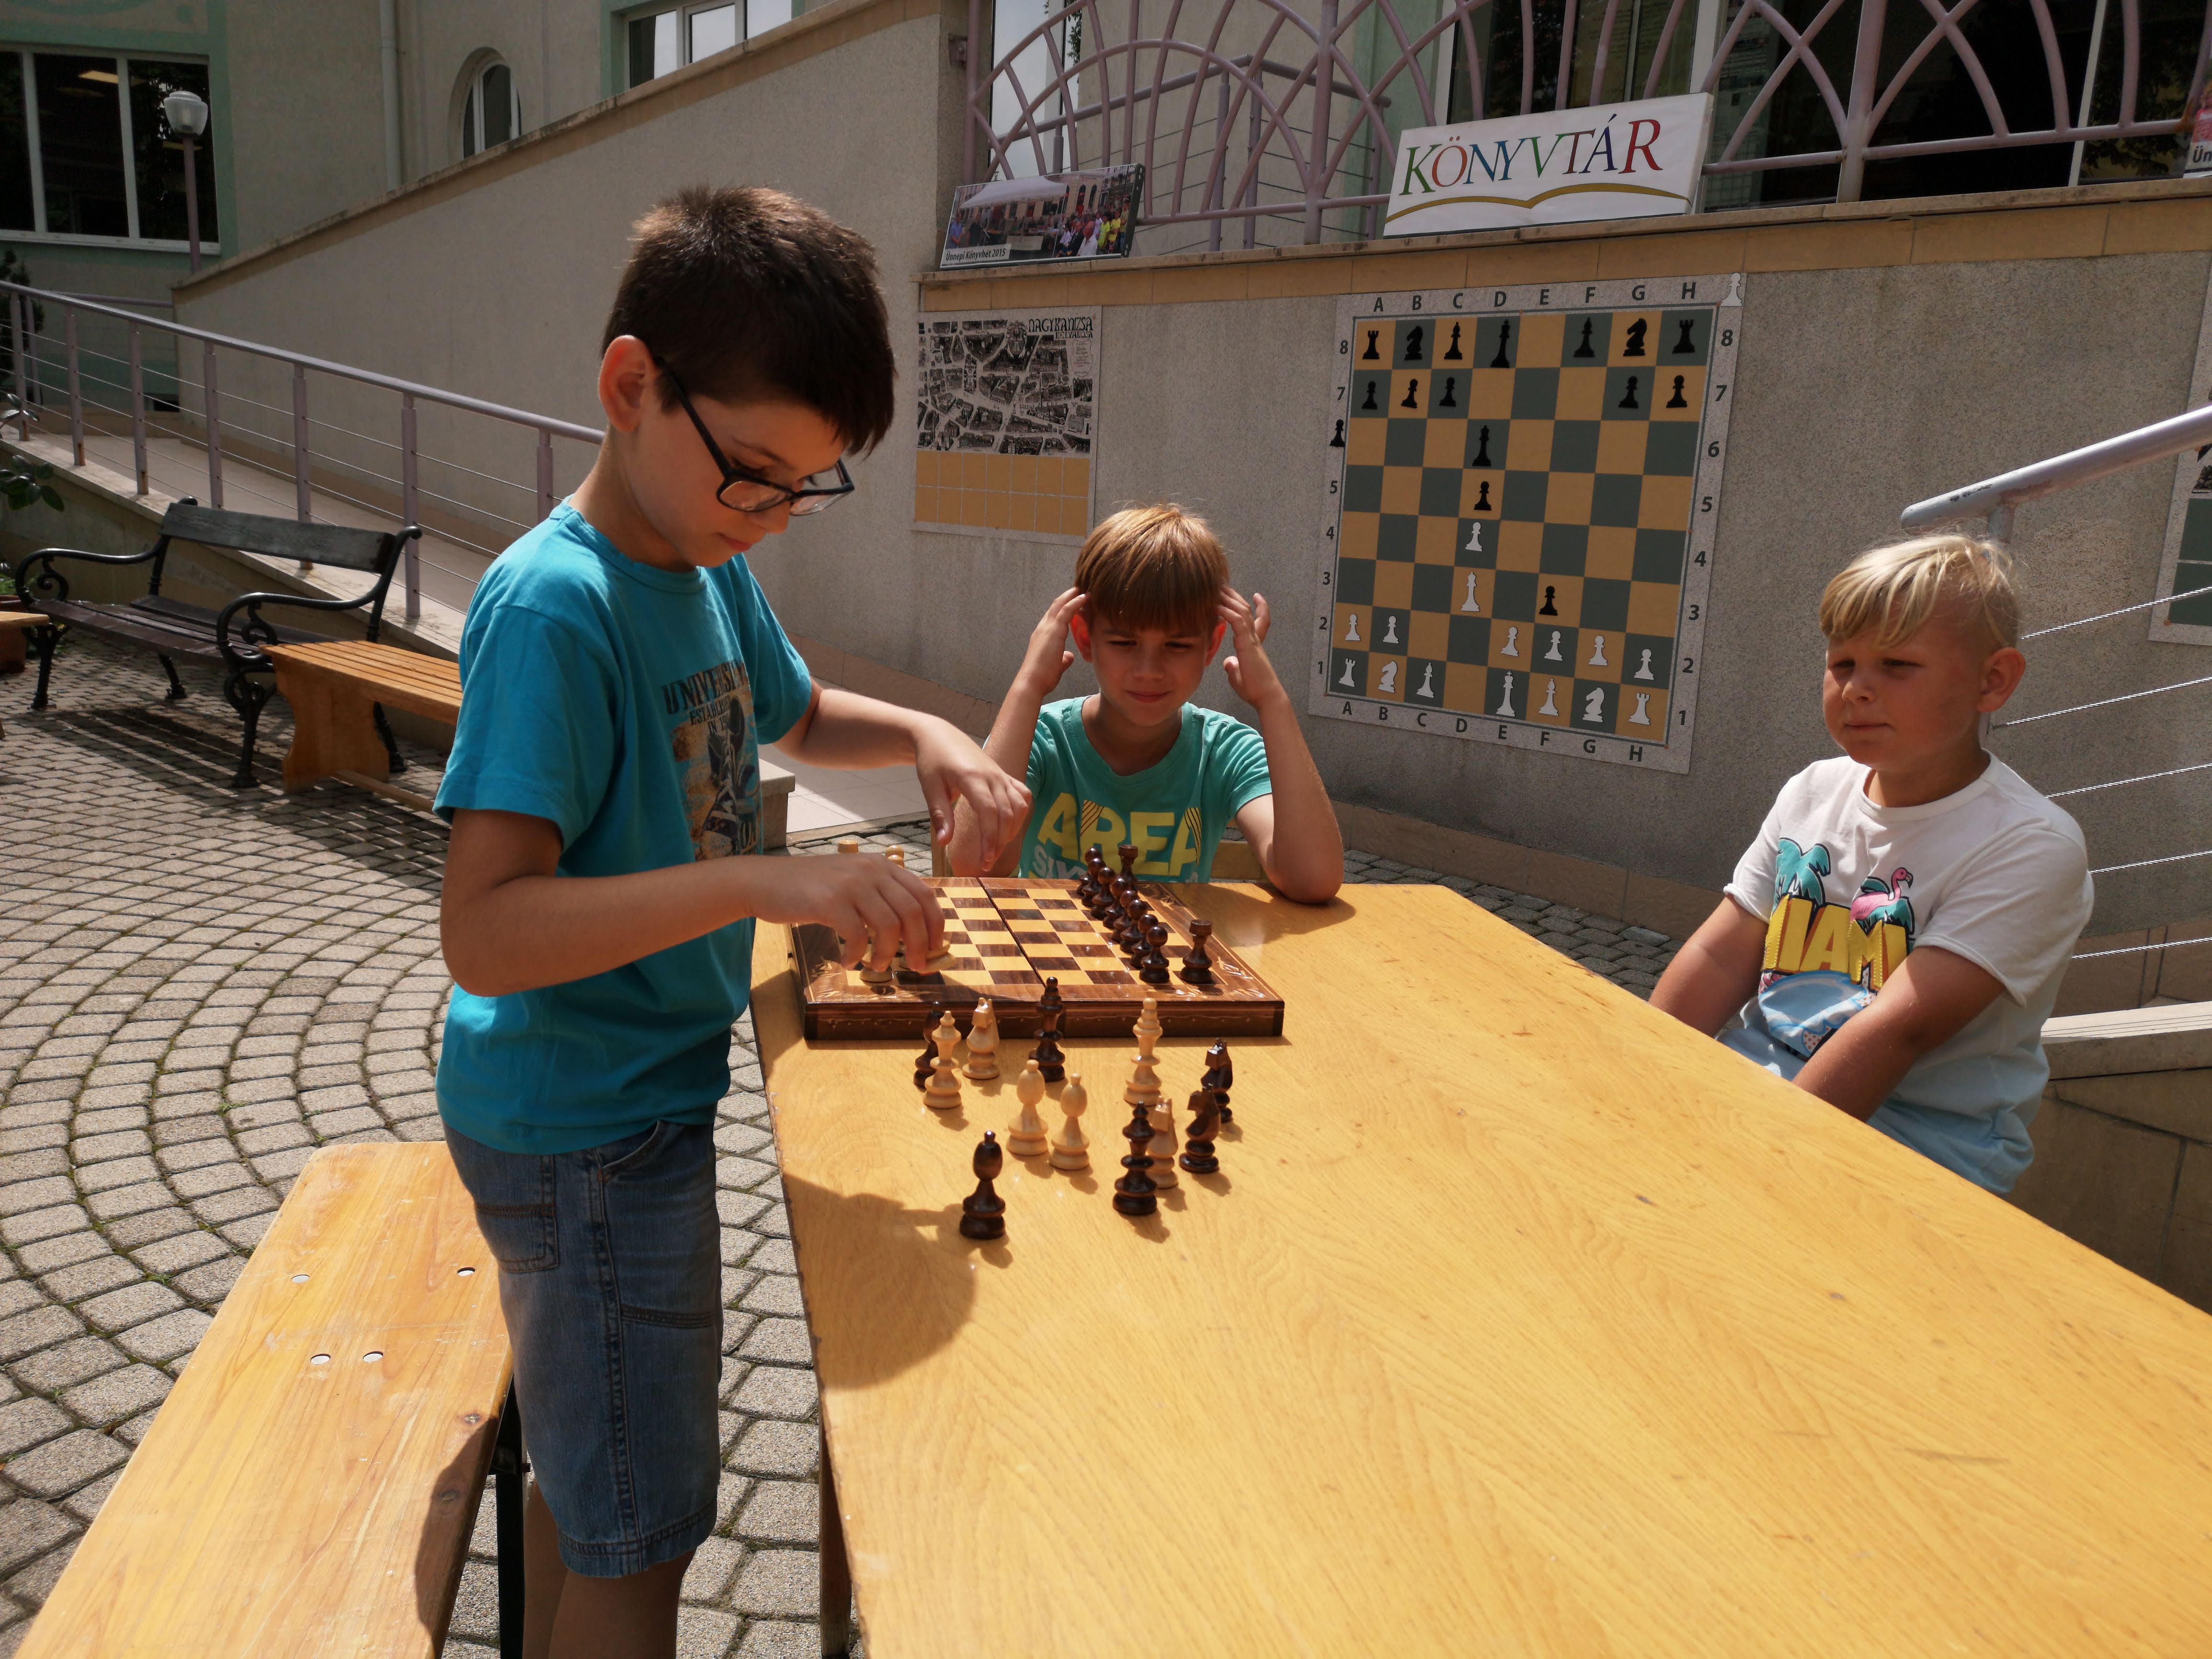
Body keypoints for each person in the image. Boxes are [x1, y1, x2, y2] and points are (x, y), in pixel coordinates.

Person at [433, 186, 1027, 1659]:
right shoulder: (557, 608)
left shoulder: (703, 568)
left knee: (599, 1492)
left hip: (630, 1100)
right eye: (754, 473)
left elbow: (800, 714)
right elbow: (485, 930)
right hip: (583, 1124)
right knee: (643, 1543)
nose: (768, 515)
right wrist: (768, 880)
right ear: (630, 385)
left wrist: (929, 736)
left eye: (804, 489)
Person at [1650, 533, 2092, 1194]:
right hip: (1754, 1087)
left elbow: (1899, 1029)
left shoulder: (2028, 845)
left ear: (1992, 680)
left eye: (1897, 664)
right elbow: (1721, 955)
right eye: (1842, 663)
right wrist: (1641, 1067)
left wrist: (1757, 1161)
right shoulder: (1811, 791)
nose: (1857, 688)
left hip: (1920, 1145)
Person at [947, 503, 1342, 902]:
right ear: (1084, 639)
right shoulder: (1039, 738)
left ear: (1212, 645)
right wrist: (1028, 685)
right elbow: (974, 864)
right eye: (1124, 643)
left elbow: (1313, 880)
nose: (1149, 671)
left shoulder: (1226, 752)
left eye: (1177, 645)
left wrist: (1272, 699)